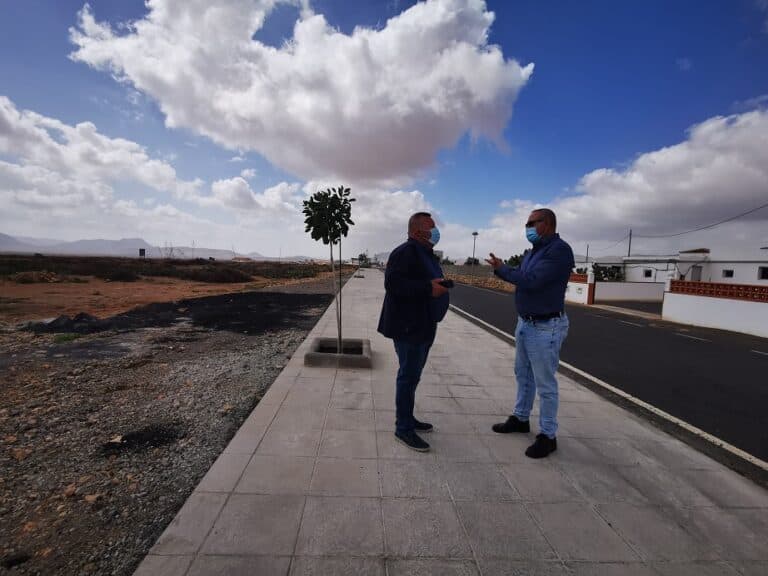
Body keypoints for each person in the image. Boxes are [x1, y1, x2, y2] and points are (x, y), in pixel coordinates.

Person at [485, 208, 574, 458]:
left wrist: (503, 269)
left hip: (546, 326)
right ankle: (521, 418)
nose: (527, 227)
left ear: (546, 224)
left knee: (545, 383)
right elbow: (523, 273)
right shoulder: (534, 251)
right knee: (523, 374)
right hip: (526, 324)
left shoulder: (559, 251)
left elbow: (532, 280)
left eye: (531, 223)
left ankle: (548, 435)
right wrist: (504, 267)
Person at [377, 212, 450, 452]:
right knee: (407, 377)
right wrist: (428, 289)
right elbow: (393, 285)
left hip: (424, 324)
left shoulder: (426, 254)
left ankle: (409, 418)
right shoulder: (404, 253)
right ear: (418, 232)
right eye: (432, 227)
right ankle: (403, 428)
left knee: (414, 376)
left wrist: (439, 286)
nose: (436, 231)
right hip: (409, 327)